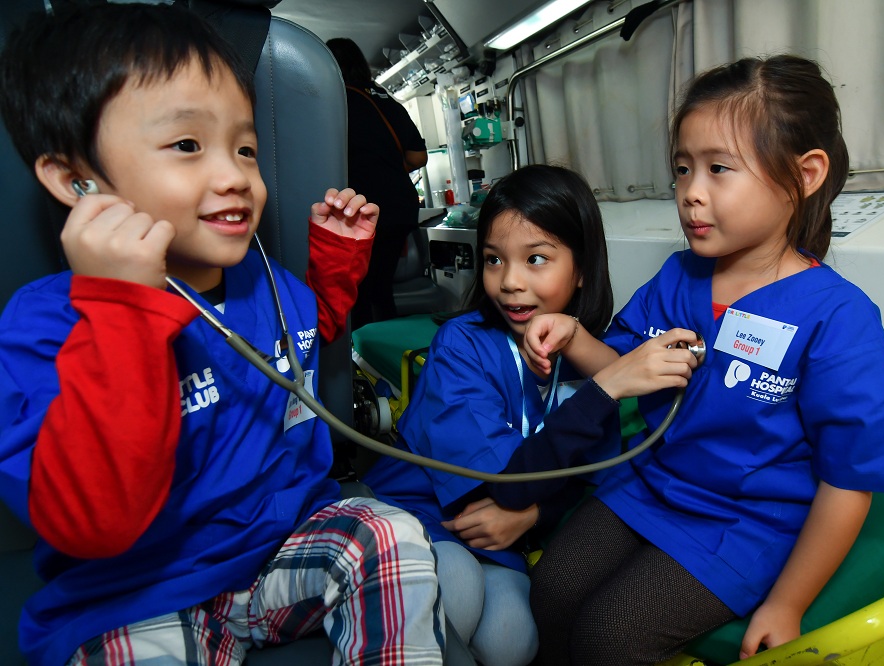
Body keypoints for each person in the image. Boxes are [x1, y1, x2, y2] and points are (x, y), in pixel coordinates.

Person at [0, 5, 444, 665]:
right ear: (77, 180)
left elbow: (304, 338)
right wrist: (122, 312)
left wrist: (337, 260)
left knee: (386, 531)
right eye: (187, 145)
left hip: (278, 554)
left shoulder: (265, 284)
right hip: (143, 590)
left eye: (245, 148)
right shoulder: (44, 326)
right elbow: (92, 521)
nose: (235, 174)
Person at [524, 55, 884, 664]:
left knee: (610, 634)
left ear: (806, 173)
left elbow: (848, 482)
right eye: (682, 169)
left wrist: (786, 604)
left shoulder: (838, 318)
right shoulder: (678, 277)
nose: (690, 194)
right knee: (549, 588)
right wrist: (572, 335)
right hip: (650, 486)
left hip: (746, 526)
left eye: (718, 169)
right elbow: (623, 366)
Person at [363, 164, 622, 665]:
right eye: (494, 260)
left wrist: (531, 515)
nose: (510, 282)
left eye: (537, 259)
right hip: (422, 512)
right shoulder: (461, 344)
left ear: (583, 268)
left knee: (512, 642)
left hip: (504, 531)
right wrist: (521, 507)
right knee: (454, 589)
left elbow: (592, 478)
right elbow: (502, 480)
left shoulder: (588, 358)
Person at [326, 37, 429, 329]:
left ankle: (361, 354)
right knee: (380, 287)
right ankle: (383, 345)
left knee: (359, 290)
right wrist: (390, 169)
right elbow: (418, 156)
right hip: (400, 207)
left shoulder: (334, 101)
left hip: (362, 212)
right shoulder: (384, 98)